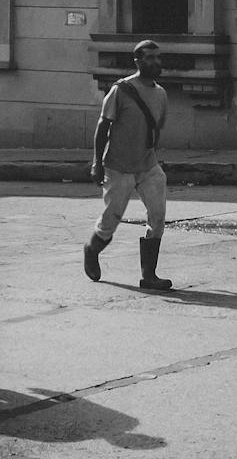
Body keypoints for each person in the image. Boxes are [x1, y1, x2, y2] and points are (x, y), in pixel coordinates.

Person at [84, 39, 174, 291]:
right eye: (149, 58)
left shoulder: (160, 94)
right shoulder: (121, 90)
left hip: (148, 166)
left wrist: (152, 157)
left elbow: (157, 129)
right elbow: (103, 126)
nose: (156, 62)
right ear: (137, 61)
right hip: (118, 166)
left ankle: (149, 276)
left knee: (157, 217)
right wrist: (97, 163)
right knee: (110, 220)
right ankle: (91, 250)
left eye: (158, 57)